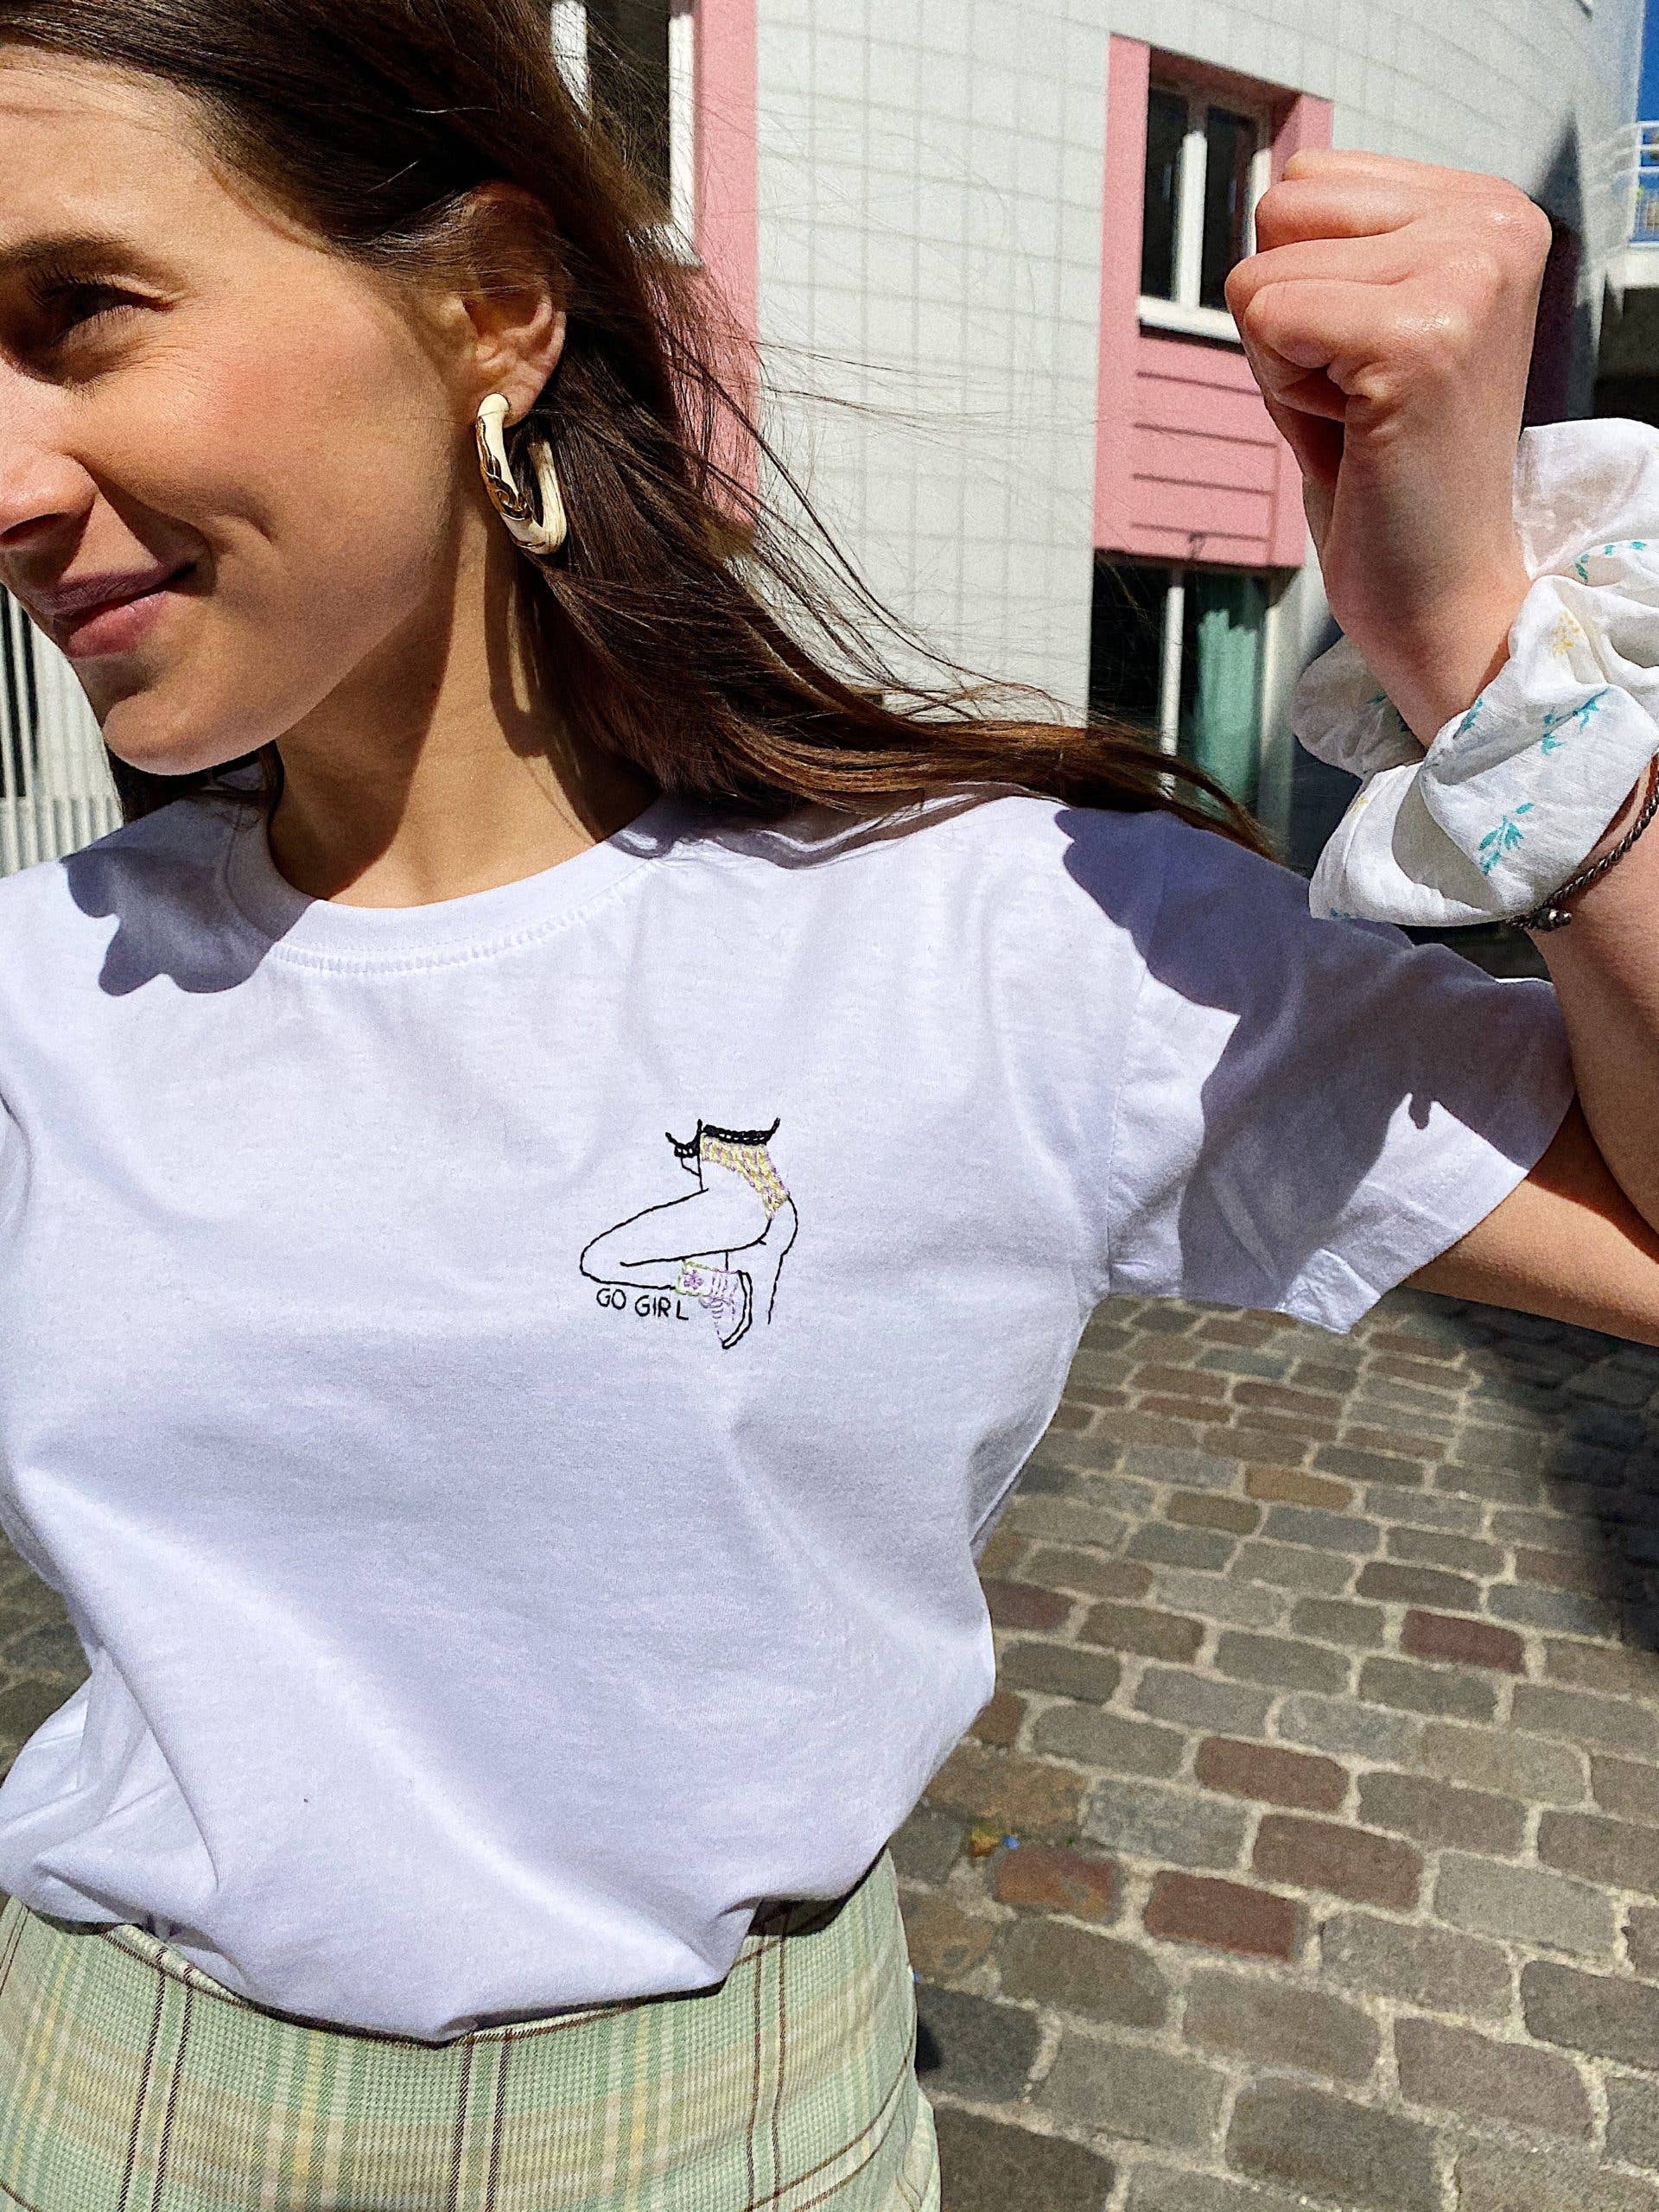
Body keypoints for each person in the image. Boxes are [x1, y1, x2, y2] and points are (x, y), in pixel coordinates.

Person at [0, 4, 1654, 2207]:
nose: (7, 480)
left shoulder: (1007, 932)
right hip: (81, 2105)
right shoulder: (41, 988)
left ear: (493, 305)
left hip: (728, 2142)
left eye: (77, 315)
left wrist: (1489, 657)